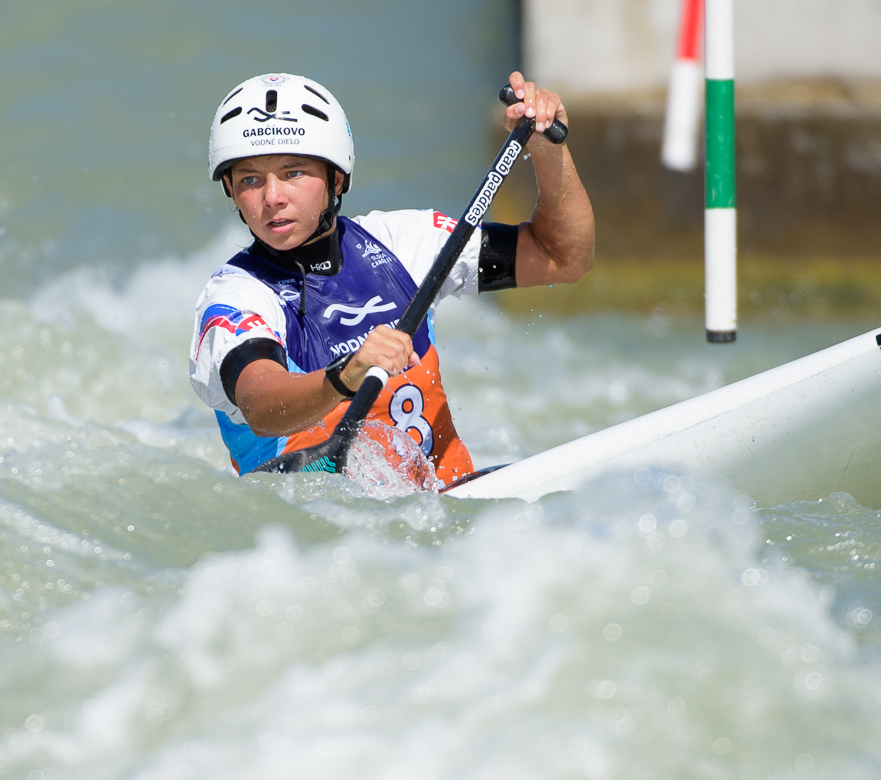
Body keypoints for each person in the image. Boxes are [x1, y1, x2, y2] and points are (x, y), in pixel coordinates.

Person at [188, 70, 594, 486]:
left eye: (293, 173)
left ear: (336, 178)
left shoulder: (406, 243)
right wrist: (344, 376)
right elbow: (261, 403)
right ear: (231, 191)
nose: (272, 197)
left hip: (448, 511)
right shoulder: (236, 297)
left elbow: (562, 257)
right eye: (250, 179)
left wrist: (548, 151)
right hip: (327, 533)